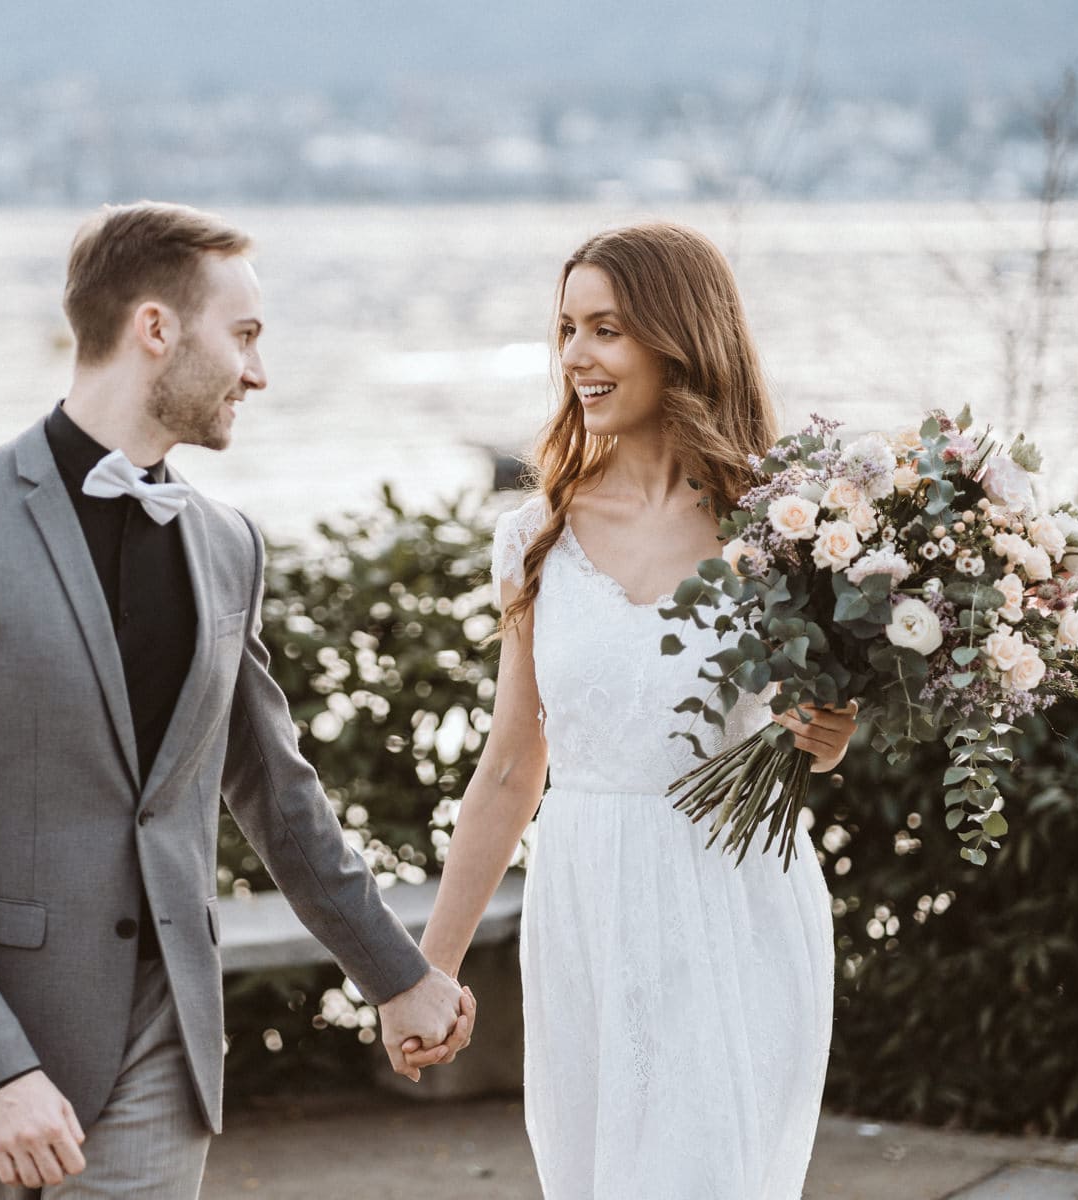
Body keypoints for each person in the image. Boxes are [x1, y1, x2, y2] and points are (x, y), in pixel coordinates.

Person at [0, 201, 474, 1200]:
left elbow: (275, 787)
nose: (259, 372)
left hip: (165, 1042)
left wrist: (396, 972)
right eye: (247, 336)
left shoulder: (229, 546)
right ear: (155, 329)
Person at [412, 221, 858, 1197]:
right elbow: (507, 767)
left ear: (678, 338)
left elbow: (806, 735)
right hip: (586, 908)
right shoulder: (535, 536)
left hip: (737, 903)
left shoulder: (782, 528)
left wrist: (825, 735)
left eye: (606, 328)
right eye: (567, 328)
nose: (576, 355)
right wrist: (431, 969)